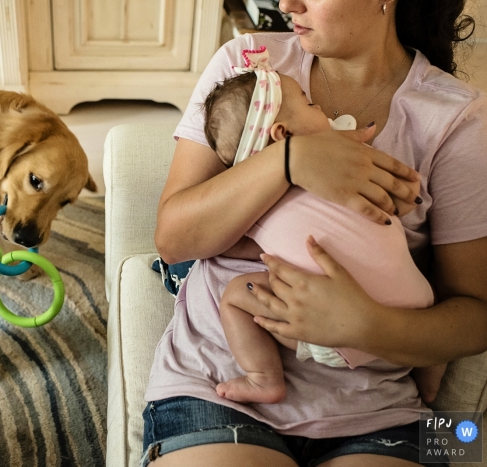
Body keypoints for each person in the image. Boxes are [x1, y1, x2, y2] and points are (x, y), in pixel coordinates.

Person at [142, 0, 487, 466]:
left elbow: (475, 316)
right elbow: (173, 239)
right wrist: (288, 162)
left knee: (464, 444)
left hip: (385, 411)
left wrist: (365, 325)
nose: (287, 4)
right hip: (216, 390)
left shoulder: (455, 118)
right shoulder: (250, 65)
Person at [202, 49, 443, 406]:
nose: (319, 107)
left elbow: (226, 244)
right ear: (282, 134)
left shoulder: (257, 206)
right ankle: (430, 386)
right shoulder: (355, 170)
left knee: (237, 294)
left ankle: (263, 378)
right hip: (418, 312)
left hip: (327, 331)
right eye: (308, 104)